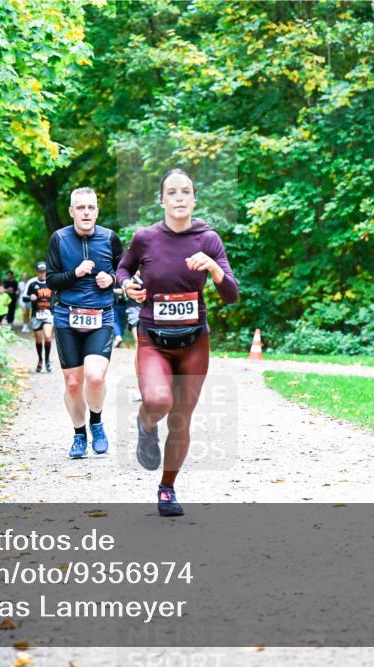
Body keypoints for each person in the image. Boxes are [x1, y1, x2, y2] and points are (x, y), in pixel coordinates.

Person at [117, 168, 239, 517]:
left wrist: (214, 269)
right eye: (172, 192)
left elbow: (231, 293)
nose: (180, 197)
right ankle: (146, 422)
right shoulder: (145, 238)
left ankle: (167, 488)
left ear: (195, 199)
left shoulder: (209, 239)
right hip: (153, 336)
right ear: (162, 200)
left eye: (186, 191)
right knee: (159, 400)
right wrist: (128, 286)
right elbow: (123, 269)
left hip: (194, 341)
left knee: (182, 418)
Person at [46, 187, 123, 459]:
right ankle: (79, 435)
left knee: (94, 376)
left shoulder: (110, 238)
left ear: (97, 211)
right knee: (73, 384)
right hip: (67, 316)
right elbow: (51, 280)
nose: (86, 212)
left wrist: (112, 280)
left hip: (101, 315)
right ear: (71, 211)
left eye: (91, 207)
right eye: (81, 208)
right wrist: (75, 273)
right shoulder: (59, 238)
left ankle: (97, 423)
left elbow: (124, 271)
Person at [24, 262, 54, 373]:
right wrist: (30, 297)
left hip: (48, 314)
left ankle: (47, 361)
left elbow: (58, 295)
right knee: (38, 339)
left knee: (47, 336)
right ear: (37, 272)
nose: (42, 274)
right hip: (36, 315)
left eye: (44, 271)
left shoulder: (52, 282)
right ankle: (40, 360)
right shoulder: (32, 283)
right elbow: (24, 298)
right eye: (40, 272)